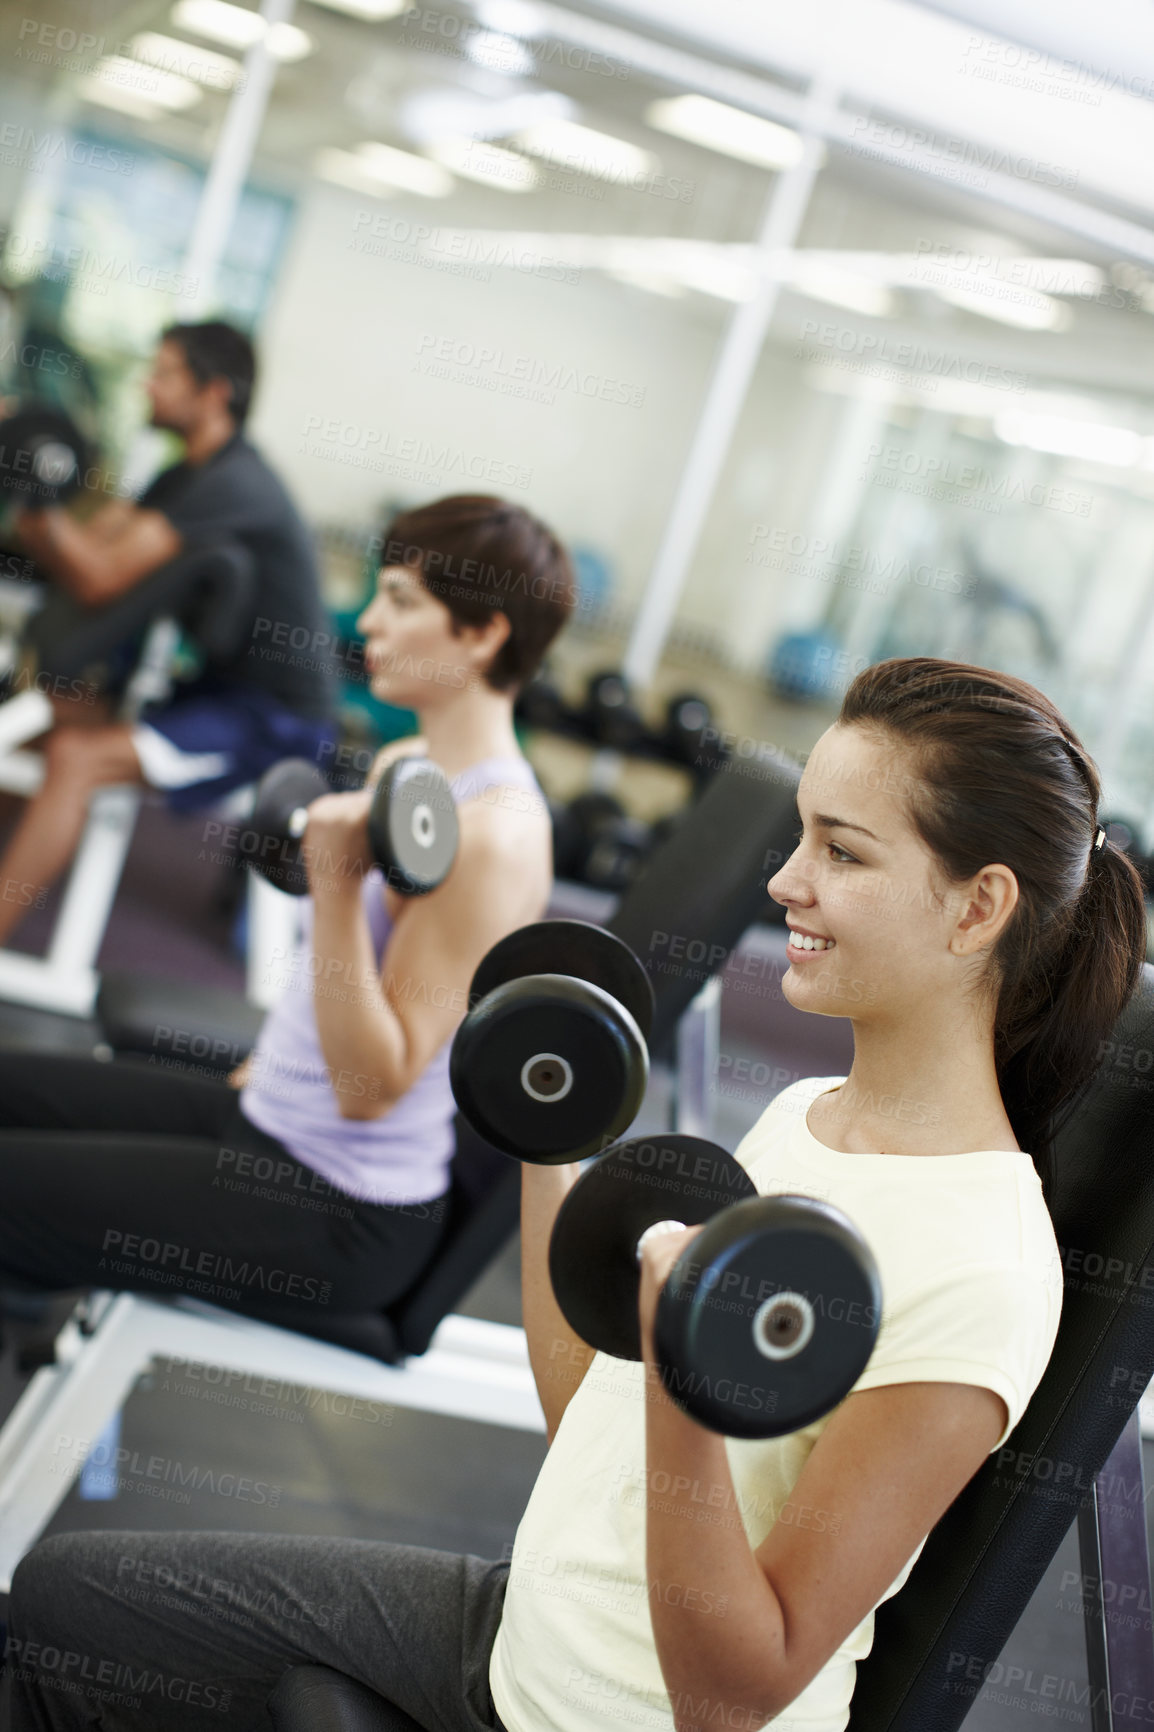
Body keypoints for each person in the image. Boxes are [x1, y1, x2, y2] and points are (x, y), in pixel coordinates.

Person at [2, 655, 1144, 1732]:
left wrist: (687, 1396)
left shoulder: (980, 1269)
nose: (783, 880)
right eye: (799, 837)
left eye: (840, 852)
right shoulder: (804, 1115)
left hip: (599, 1712)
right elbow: (580, 1422)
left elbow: (729, 1698)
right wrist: (551, 1144)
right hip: (516, 1631)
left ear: (975, 906)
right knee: (56, 1608)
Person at [0, 493, 571, 1329]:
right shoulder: (412, 763)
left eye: (402, 603)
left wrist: (334, 888)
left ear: (482, 634)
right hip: (270, 1119)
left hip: (341, 1209)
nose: (368, 622)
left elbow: (372, 1089)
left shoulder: (495, 838)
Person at [0, 320, 336, 945]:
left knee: (75, 759)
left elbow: (99, 576)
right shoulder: (185, 477)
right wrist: (25, 469)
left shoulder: (237, 483)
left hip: (276, 723)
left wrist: (36, 489)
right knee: (50, 719)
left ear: (213, 394)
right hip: (218, 693)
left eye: (164, 374)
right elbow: (87, 546)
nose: (146, 386)